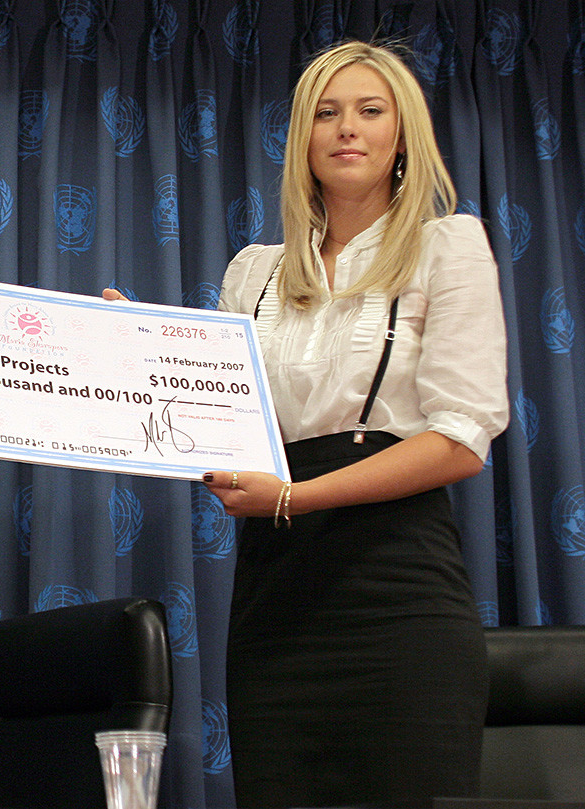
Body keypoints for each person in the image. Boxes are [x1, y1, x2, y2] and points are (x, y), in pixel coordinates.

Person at [110, 40, 509, 807]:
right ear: (302, 138)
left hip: (401, 593)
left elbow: (460, 440)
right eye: (326, 113)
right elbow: (215, 415)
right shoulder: (253, 270)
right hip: (276, 600)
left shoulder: (448, 246)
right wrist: (130, 356)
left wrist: (293, 497)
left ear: (403, 136)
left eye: (369, 110)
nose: (346, 129)